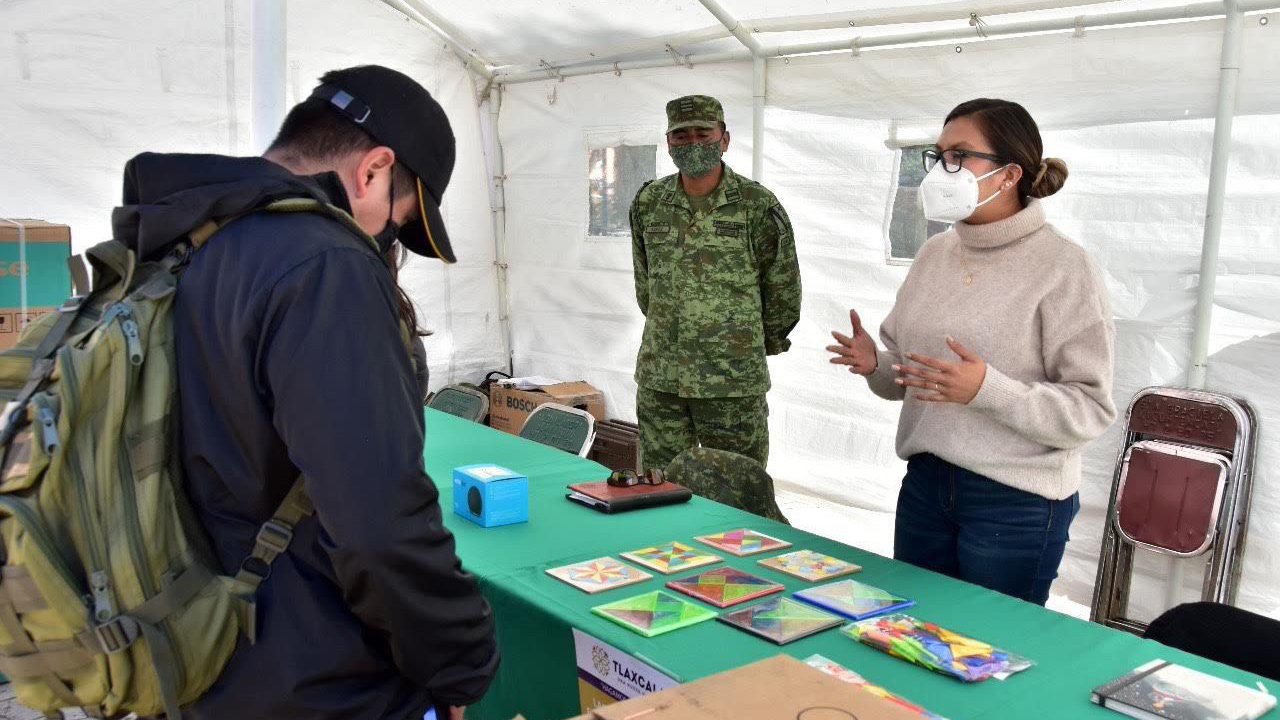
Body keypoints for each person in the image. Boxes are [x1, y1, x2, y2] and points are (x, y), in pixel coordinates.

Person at [115, 65, 498, 719]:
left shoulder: (185, 241)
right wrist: (460, 664)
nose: (386, 244)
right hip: (312, 675)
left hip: (186, 641)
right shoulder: (325, 266)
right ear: (373, 169)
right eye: (397, 223)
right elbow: (379, 522)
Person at [826, 98, 1117, 606]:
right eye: (937, 156)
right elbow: (912, 377)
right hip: (926, 485)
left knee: (991, 659)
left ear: (1009, 174)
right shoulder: (935, 252)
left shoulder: (1066, 267)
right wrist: (878, 365)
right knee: (912, 637)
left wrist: (987, 390)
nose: (942, 170)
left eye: (959, 156)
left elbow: (1088, 409)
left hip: (1015, 502)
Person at [630, 94, 802, 473]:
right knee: (664, 487)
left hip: (732, 381)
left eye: (703, 133)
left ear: (724, 139)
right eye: (681, 136)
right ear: (668, 142)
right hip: (663, 379)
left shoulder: (755, 204)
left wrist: (749, 345)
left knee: (739, 491)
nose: (693, 143)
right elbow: (646, 286)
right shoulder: (649, 202)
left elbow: (783, 290)